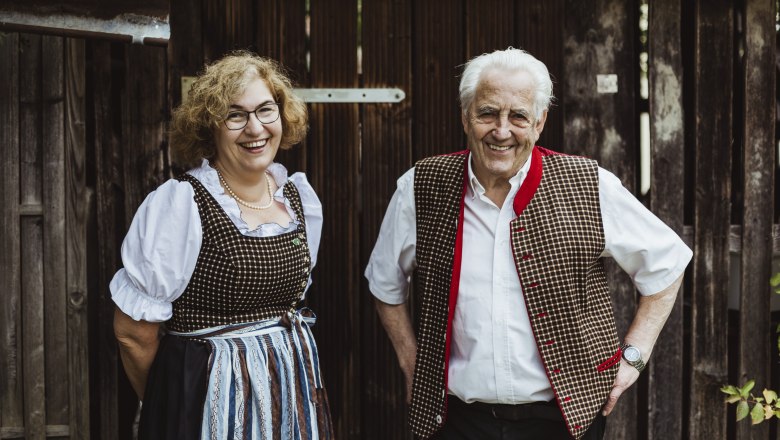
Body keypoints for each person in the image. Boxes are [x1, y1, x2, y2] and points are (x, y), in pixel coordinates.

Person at [365, 48, 692, 440]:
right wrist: (411, 362)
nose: (501, 131)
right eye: (487, 113)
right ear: (465, 117)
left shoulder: (588, 184)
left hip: (562, 422)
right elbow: (385, 282)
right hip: (457, 422)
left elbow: (666, 263)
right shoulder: (421, 186)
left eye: (518, 116)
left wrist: (635, 356)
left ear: (539, 122)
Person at [111, 51, 334, 439]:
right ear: (208, 127)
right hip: (205, 396)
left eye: (266, 110)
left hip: (288, 389)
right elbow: (132, 332)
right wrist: (169, 402)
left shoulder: (297, 198)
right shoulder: (182, 204)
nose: (255, 128)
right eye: (235, 115)